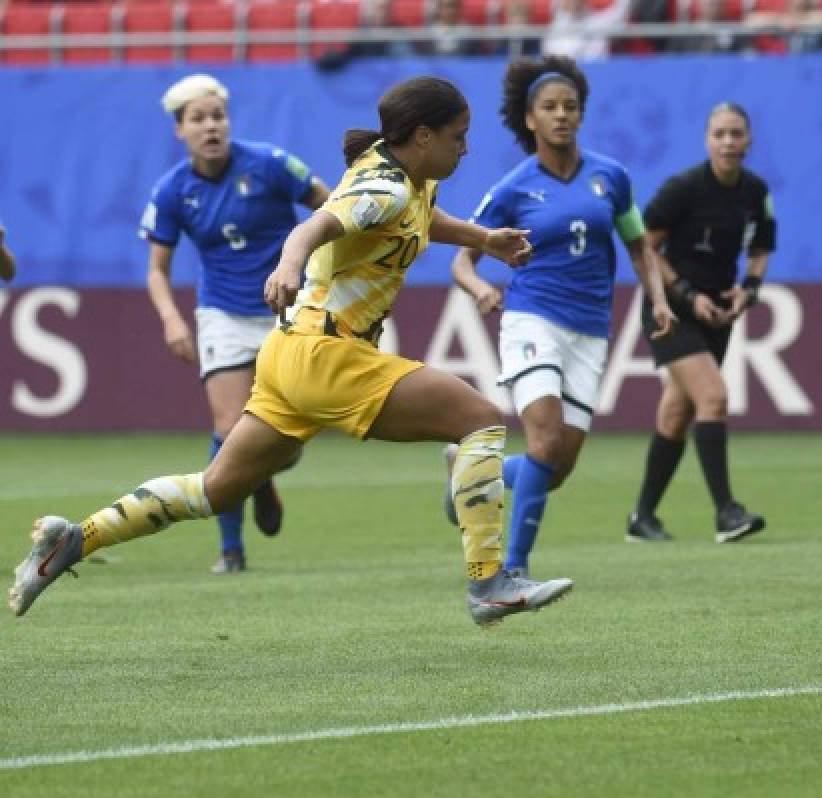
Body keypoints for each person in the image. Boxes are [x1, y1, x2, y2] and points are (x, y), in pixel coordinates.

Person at [9, 76, 574, 628]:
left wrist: (482, 238)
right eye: (459, 135)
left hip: (290, 356)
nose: (466, 147)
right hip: (329, 355)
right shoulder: (384, 186)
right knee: (478, 420)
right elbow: (315, 227)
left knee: (212, 490)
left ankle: (71, 541)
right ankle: (489, 583)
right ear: (423, 136)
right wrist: (288, 263)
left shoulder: (406, 178)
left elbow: (419, 219)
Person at [448, 56, 675, 577]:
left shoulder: (611, 179)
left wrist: (658, 299)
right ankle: (514, 569)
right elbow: (463, 258)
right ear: (530, 119)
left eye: (570, 106)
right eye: (549, 107)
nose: (561, 115)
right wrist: (481, 288)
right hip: (532, 319)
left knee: (555, 467)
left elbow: (640, 248)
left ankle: (471, 481)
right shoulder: (514, 187)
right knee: (544, 440)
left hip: (590, 329)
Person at [140, 74, 331, 574]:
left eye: (217, 116)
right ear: (179, 130)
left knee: (286, 442)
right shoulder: (172, 190)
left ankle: (264, 475)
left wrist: (332, 271)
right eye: (198, 119)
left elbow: (330, 209)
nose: (211, 126)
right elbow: (157, 271)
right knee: (229, 429)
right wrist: (170, 320)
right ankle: (231, 551)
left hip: (287, 306)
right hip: (222, 313)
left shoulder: (270, 164)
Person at [626, 102, 774, 544]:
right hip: (670, 310)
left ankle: (642, 518)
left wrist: (749, 288)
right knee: (714, 396)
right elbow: (646, 247)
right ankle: (727, 513)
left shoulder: (756, 191)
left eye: (736, 134)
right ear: (707, 140)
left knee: (676, 413)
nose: (728, 142)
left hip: (718, 314)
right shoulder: (683, 188)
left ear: (749, 140)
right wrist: (687, 296)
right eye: (720, 134)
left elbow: (762, 248)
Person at [542, 0, 634, 60]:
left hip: (597, 79)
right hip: (566, 81)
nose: (574, 2)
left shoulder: (600, 23)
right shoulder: (553, 31)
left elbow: (622, 9)